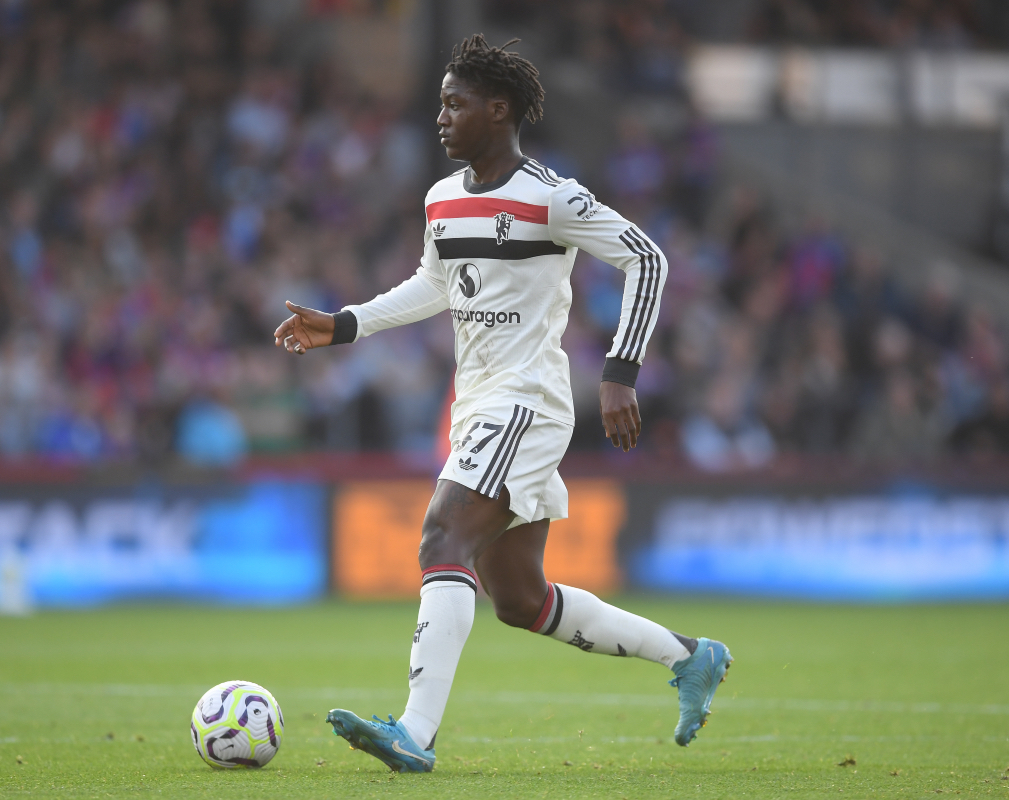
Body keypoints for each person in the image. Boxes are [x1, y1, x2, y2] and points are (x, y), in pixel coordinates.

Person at [274, 35, 732, 773]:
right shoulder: (442, 197)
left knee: (439, 541)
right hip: (480, 403)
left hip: (528, 401)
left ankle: (415, 735)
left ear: (500, 109)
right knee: (520, 599)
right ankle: (691, 656)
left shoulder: (551, 197)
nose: (441, 117)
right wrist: (346, 323)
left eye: (455, 103)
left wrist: (620, 374)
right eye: (441, 103)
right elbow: (432, 284)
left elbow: (647, 258)